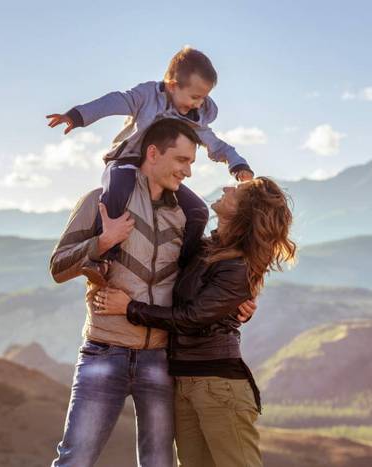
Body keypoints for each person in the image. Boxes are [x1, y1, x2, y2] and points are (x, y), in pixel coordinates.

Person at [48, 118, 256, 467]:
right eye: (182, 160)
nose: (188, 171)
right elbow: (57, 268)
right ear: (153, 153)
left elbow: (204, 276)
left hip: (160, 360)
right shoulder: (100, 203)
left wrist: (241, 300)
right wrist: (103, 241)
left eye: (192, 162)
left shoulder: (187, 217)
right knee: (74, 460)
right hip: (103, 352)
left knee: (160, 464)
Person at [94, 176, 297, 467]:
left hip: (218, 385)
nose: (226, 187)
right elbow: (183, 194)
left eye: (235, 192)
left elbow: (192, 318)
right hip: (183, 382)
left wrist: (129, 308)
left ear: (244, 211)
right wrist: (143, 162)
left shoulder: (236, 265)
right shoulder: (206, 250)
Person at [46, 46, 254, 286]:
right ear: (172, 85)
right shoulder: (147, 97)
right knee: (117, 193)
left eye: (204, 98)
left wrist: (238, 164)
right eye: (195, 97)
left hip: (159, 178)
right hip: (127, 162)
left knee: (198, 211)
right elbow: (116, 101)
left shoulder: (194, 120)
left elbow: (215, 144)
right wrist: (78, 116)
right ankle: (104, 259)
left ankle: (186, 268)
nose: (198, 104)